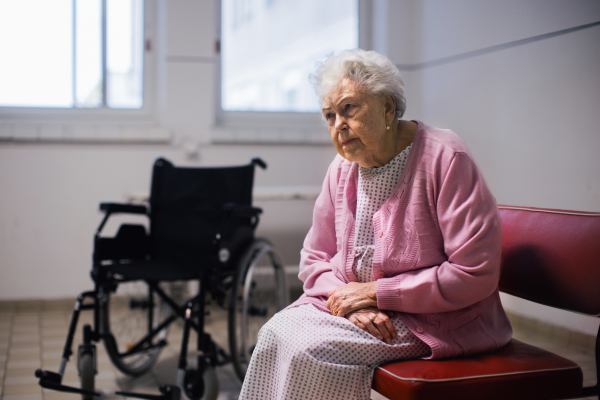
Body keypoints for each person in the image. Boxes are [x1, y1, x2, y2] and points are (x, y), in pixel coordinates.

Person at [238, 49, 512, 400]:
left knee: (313, 349)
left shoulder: (445, 156)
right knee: (275, 333)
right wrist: (352, 304)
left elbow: (474, 272)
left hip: (433, 319)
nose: (338, 124)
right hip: (355, 310)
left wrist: (374, 294)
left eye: (349, 107)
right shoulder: (342, 168)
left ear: (387, 107)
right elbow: (314, 258)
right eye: (329, 115)